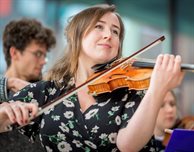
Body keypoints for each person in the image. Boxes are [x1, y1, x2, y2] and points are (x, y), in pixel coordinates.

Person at [1, 4, 184, 152]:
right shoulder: (46, 91)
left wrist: (157, 89)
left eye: (115, 32)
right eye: (99, 26)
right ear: (77, 36)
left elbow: (128, 146)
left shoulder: (129, 92)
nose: (108, 35)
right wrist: (5, 110)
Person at [0, 18, 56, 152]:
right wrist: (9, 82)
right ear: (15, 53)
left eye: (45, 55)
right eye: (38, 54)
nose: (43, 62)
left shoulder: (44, 91)